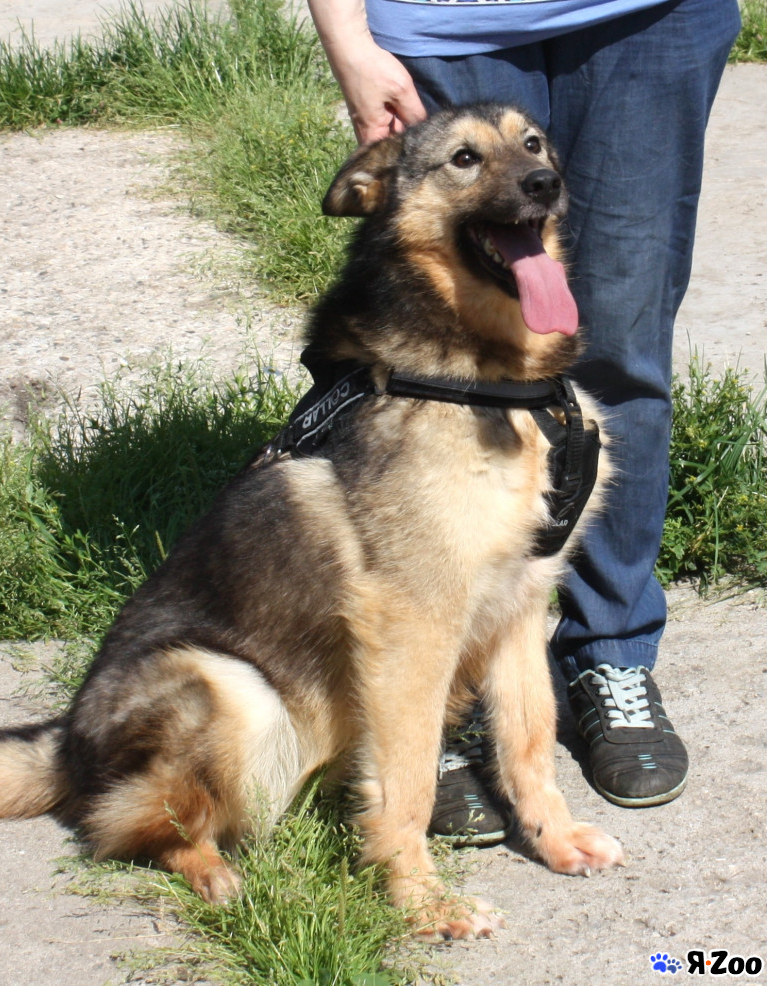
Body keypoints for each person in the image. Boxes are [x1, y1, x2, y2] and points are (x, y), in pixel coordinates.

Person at [306, 0, 741, 841]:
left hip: (649, 18)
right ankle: (436, 702)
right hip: (442, 19)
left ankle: (611, 653)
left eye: (536, 155)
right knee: (425, 358)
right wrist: (347, 36)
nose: (534, 171)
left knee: (622, 346)